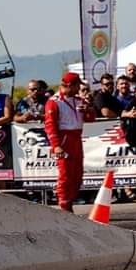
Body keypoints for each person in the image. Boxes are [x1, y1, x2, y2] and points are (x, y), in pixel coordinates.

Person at [44, 72, 89, 211]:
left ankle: (69, 201)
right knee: (65, 174)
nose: (79, 88)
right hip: (64, 140)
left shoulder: (79, 100)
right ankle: (64, 205)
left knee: (77, 174)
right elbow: (50, 125)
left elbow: (91, 117)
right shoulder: (54, 102)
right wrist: (56, 146)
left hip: (77, 138)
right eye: (77, 85)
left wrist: (89, 109)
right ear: (69, 85)